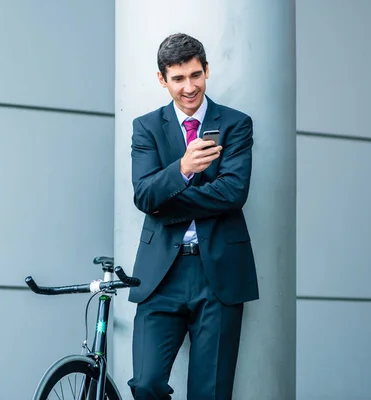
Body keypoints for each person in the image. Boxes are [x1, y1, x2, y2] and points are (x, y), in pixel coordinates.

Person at [127, 33, 259, 399]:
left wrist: (165, 203)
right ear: (162, 79)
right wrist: (182, 169)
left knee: (210, 392)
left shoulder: (236, 124)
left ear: (207, 71)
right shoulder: (146, 127)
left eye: (196, 75)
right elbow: (143, 194)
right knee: (146, 383)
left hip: (218, 271)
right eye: (179, 78)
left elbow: (234, 193)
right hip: (160, 277)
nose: (190, 87)